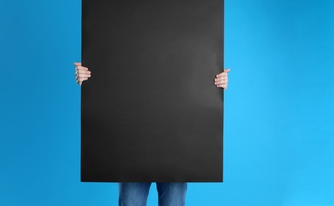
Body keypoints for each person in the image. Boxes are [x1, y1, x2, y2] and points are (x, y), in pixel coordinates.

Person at [74, 62, 230, 206]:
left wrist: (215, 79)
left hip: (175, 147)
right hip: (133, 146)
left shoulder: (186, 40)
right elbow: (111, 71)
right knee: (130, 202)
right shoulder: (124, 39)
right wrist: (89, 75)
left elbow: (196, 74)